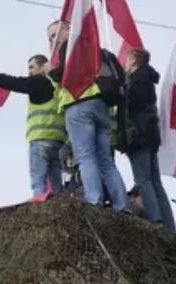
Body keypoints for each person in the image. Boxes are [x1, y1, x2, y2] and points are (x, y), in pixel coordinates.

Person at [46, 20, 128, 209]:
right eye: (50, 37)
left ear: (68, 31)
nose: (54, 40)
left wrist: (51, 71)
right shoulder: (94, 48)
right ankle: (122, 205)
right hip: (100, 105)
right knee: (106, 162)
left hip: (78, 104)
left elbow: (65, 75)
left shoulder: (71, 45)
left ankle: (93, 202)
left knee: (85, 157)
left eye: (56, 34)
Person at [0, 55, 66, 198]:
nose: (29, 72)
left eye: (32, 67)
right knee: (57, 186)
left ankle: (38, 214)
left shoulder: (38, 81)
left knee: (38, 183)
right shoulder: (58, 85)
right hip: (59, 141)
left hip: (40, 140)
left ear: (43, 66)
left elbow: (11, 82)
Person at [122, 48, 175, 233]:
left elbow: (131, 104)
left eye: (126, 60)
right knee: (155, 181)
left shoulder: (137, 80)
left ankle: (156, 220)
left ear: (134, 61)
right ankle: (168, 225)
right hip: (151, 136)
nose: (124, 64)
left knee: (143, 179)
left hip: (139, 135)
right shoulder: (148, 79)